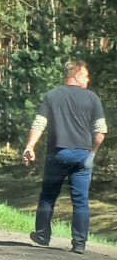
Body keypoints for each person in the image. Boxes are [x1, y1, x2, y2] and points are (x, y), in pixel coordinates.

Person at [23, 60, 107, 255]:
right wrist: (91, 153)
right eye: (86, 76)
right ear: (77, 76)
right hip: (83, 155)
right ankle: (79, 243)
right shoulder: (92, 98)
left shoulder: (52, 95)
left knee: (47, 197)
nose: (88, 80)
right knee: (80, 201)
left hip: (58, 154)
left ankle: (43, 234)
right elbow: (101, 131)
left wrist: (30, 146)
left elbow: (39, 124)